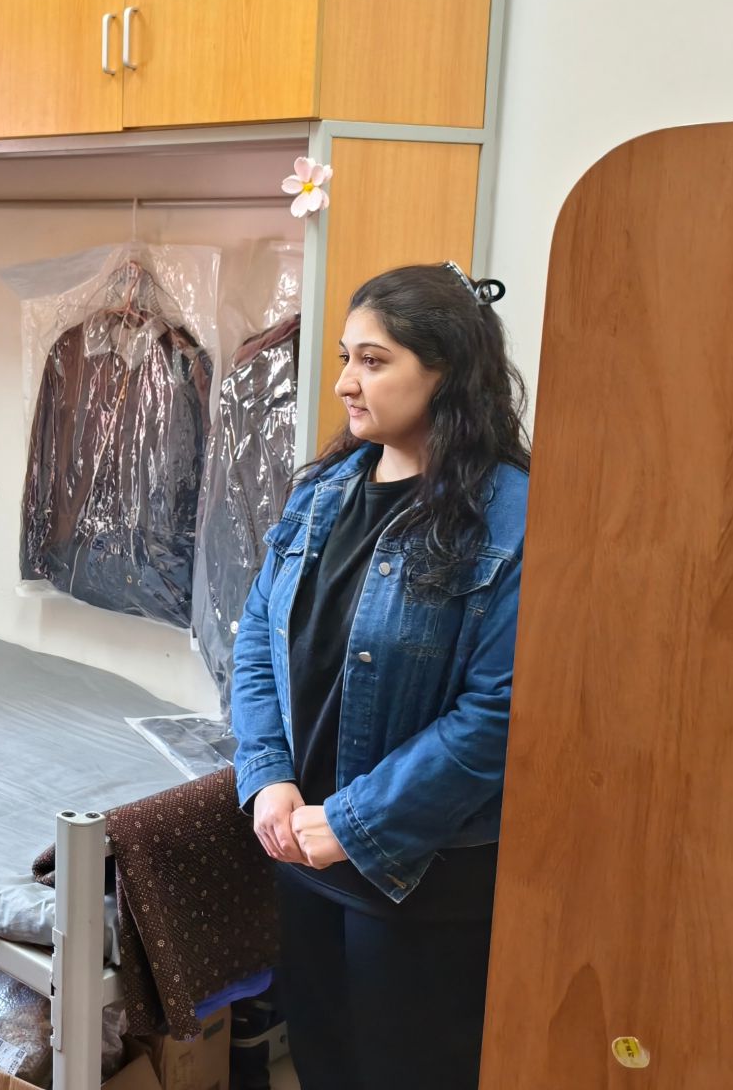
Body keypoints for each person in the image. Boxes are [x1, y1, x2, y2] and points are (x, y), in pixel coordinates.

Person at [230, 262, 529, 1090]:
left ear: (447, 371)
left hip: (422, 880)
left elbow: (498, 713)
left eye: (373, 360)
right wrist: (268, 775)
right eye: (345, 357)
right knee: (323, 1066)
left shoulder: (511, 516)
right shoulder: (325, 493)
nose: (343, 383)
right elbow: (257, 641)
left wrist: (355, 822)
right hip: (308, 862)